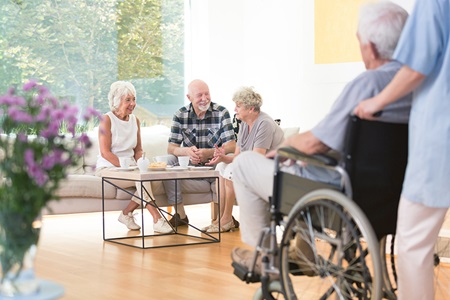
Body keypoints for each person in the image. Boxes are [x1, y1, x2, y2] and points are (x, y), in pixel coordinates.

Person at [230, 1, 412, 273]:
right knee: (303, 165)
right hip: (396, 195)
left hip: (344, 193)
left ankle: (263, 258)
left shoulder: (369, 84)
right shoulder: (422, 87)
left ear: (370, 46)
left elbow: (316, 142)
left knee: (245, 165)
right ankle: (302, 249)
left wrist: (284, 149)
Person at [354, 1, 450, 298]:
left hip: (439, 134)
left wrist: (376, 102)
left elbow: (418, 65)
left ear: (368, 45)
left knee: (412, 244)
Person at [201, 86, 285, 233]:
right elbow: (238, 156)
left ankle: (226, 219)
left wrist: (233, 161)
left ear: (251, 109)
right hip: (255, 165)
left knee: (233, 170)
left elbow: (256, 158)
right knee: (221, 167)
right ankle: (222, 218)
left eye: (238, 106)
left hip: (271, 168)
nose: (235, 109)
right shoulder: (244, 124)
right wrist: (222, 157)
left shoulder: (264, 124)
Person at [95, 81, 172, 233]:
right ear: (117, 102)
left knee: (154, 179)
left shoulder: (135, 120)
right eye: (128, 100)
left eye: (134, 99)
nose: (133, 104)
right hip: (108, 168)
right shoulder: (107, 120)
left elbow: (138, 150)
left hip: (130, 168)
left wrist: (141, 163)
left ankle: (126, 213)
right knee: (141, 179)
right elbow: (105, 152)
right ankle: (157, 219)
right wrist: (127, 168)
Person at [163, 79, 236, 226]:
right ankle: (180, 215)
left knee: (227, 161)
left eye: (207, 94)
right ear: (189, 98)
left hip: (216, 165)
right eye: (199, 95)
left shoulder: (221, 112)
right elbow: (171, 148)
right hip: (191, 166)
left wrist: (210, 153)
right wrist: (187, 151)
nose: (205, 99)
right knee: (168, 161)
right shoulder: (180, 115)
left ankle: (224, 217)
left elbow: (231, 146)